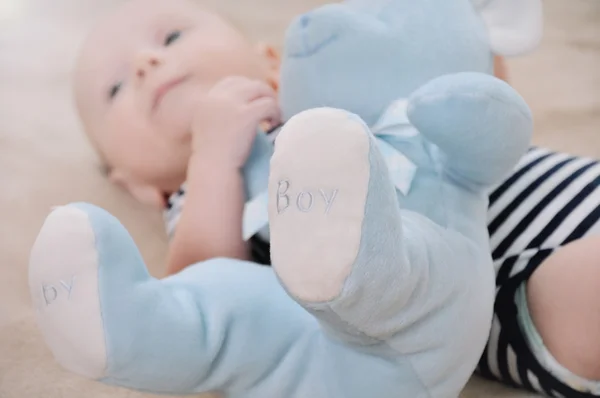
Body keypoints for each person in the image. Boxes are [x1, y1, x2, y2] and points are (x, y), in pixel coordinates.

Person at [73, 0, 600, 396]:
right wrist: (212, 160)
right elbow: (206, 287)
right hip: (507, 283)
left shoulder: (350, 90)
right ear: (137, 184)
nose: (144, 63)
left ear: (272, 63)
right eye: (115, 89)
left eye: (170, 36)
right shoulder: (200, 190)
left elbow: (482, 92)